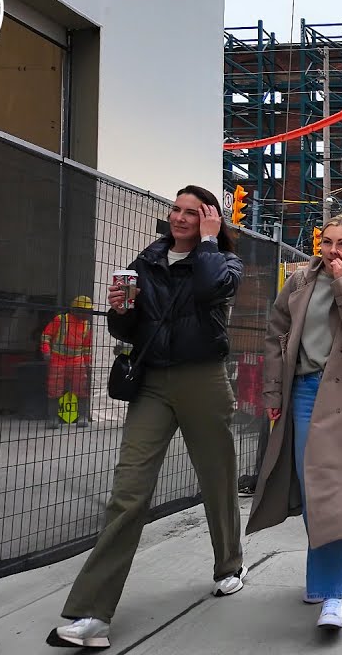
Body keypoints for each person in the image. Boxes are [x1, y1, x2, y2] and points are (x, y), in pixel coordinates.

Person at [48, 186, 246, 650]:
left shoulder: (224, 262)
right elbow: (128, 328)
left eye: (191, 212)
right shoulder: (147, 260)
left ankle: (229, 565)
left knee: (217, 479)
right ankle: (91, 614)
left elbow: (209, 288)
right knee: (128, 491)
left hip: (203, 378)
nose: (179, 217)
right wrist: (121, 309)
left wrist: (211, 242)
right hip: (152, 381)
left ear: (210, 218)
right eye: (175, 209)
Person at [247, 214, 342, 633]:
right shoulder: (298, 282)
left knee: (336, 496)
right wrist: (273, 393)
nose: (333, 250)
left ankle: (333, 595)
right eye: (327, 241)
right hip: (304, 395)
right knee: (313, 493)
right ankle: (320, 578)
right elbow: (275, 336)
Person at [41, 295, 95, 428]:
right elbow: (45, 336)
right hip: (58, 359)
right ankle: (53, 418)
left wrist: (87, 362)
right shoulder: (60, 320)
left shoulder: (87, 325)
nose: (87, 314)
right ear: (75, 310)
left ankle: (82, 416)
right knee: (54, 389)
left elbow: (87, 347)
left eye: (88, 311)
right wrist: (46, 351)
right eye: (85, 311)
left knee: (81, 388)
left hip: (77, 360)